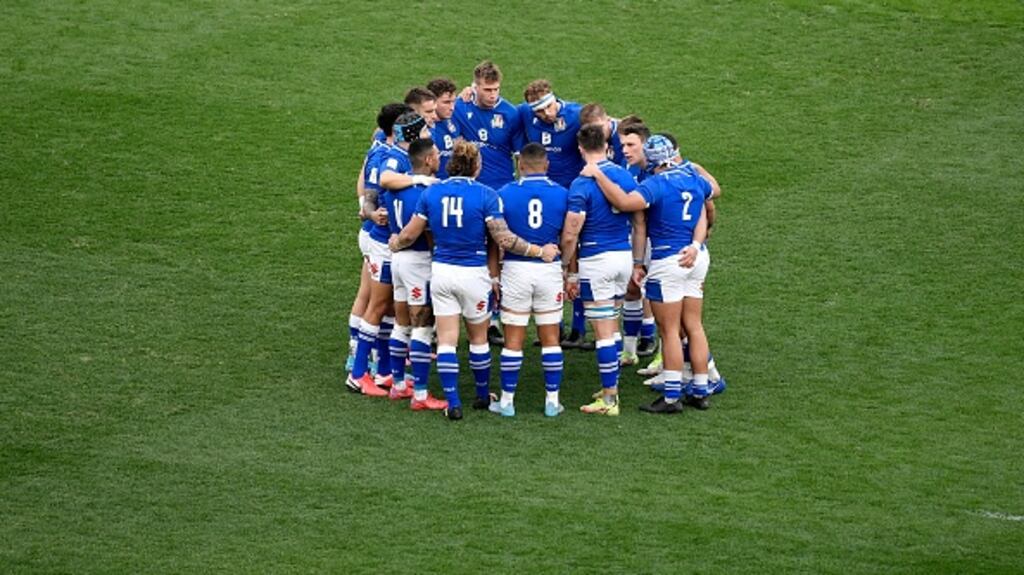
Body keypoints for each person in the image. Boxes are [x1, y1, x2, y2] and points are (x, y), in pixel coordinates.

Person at [389, 141, 558, 421]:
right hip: (474, 274)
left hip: (442, 272)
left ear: (450, 164)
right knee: (479, 338)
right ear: (477, 166)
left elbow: (409, 234)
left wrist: (395, 243)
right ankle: (481, 395)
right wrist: (539, 251)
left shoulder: (432, 193)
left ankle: (453, 402)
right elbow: (504, 239)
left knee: (446, 340)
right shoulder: (486, 195)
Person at [587, 135, 717, 412]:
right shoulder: (693, 177)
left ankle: (671, 397)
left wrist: (598, 173)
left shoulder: (655, 184)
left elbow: (624, 202)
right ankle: (702, 390)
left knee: (669, 330)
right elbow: (708, 206)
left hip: (668, 261)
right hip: (696, 257)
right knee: (693, 325)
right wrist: (695, 244)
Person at [347, 111, 435, 397]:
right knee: (377, 305)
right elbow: (384, 180)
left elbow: (371, 197)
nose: (427, 133)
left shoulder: (398, 154)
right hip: (384, 244)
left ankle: (383, 371)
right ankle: (358, 374)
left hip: (388, 243)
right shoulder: (396, 159)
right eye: (423, 131)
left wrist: (371, 212)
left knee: (385, 310)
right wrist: (418, 182)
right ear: (412, 136)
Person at [562, 123, 641, 416]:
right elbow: (638, 214)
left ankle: (610, 399)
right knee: (613, 323)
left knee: (604, 332)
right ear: (607, 146)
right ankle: (611, 385)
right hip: (623, 255)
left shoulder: (582, 183)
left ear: (581, 149)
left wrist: (565, 267)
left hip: (597, 260)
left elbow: (571, 232)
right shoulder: (623, 174)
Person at [492, 143, 569, 417]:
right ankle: (552, 401)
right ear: (546, 164)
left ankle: (507, 402)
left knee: (513, 340)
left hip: (516, 270)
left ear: (520, 165)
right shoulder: (563, 194)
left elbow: (497, 239)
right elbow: (570, 234)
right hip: (549, 269)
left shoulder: (503, 193)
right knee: (550, 339)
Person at [382, 137, 448, 410]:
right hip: (418, 261)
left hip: (397, 261)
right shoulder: (427, 192)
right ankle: (420, 395)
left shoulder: (397, 186)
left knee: (401, 323)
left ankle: (398, 385)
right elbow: (422, 231)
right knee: (422, 326)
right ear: (429, 160)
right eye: (437, 155)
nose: (440, 159)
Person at [426, 77, 461, 177]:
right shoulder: (423, 128)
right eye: (446, 102)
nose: (452, 107)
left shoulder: (454, 118)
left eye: (453, 101)